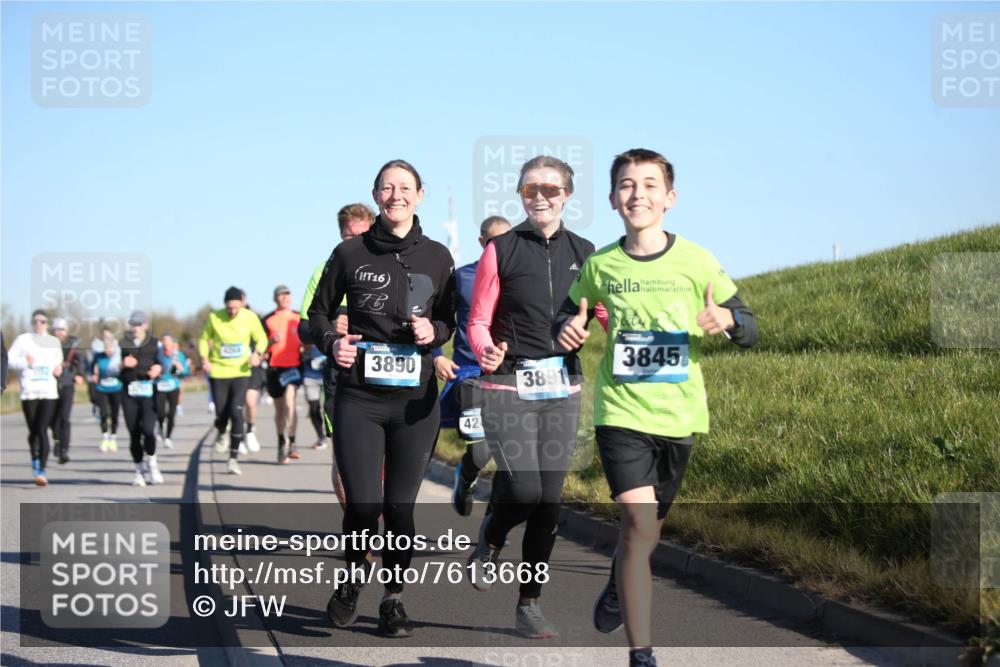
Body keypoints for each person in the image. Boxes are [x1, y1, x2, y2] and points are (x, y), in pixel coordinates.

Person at [556, 149, 759, 667]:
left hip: (680, 415)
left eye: (649, 185)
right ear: (611, 199)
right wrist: (567, 332)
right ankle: (641, 655)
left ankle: (619, 581)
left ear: (669, 198)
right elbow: (566, 319)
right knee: (640, 523)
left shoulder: (697, 261)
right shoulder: (600, 265)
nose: (637, 194)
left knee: (645, 533)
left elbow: (750, 327)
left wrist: (730, 323)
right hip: (620, 413)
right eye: (626, 185)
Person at [309, 160, 455, 638]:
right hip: (359, 399)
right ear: (375, 194)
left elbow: (450, 320)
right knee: (363, 503)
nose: (396, 195)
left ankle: (393, 600)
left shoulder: (438, 256)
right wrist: (333, 342)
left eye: (405, 187)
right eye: (387, 187)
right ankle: (352, 579)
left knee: (399, 509)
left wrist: (434, 330)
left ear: (421, 195)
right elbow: (318, 314)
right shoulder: (350, 253)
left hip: (415, 403)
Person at [466, 155, 603, 639]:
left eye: (549, 188)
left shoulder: (586, 251)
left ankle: (529, 604)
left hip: (563, 387)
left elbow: (604, 312)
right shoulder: (501, 249)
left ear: (567, 194)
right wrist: (485, 350)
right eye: (529, 189)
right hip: (507, 383)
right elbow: (478, 320)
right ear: (521, 195)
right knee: (524, 489)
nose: (539, 196)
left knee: (549, 502)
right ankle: (491, 539)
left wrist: (593, 322)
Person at [299, 203, 375, 506]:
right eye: (348, 236)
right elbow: (304, 329)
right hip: (341, 376)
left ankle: (380, 522)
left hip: (385, 373)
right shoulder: (325, 270)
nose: (354, 242)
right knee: (346, 457)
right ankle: (358, 528)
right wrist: (331, 325)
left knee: (381, 457)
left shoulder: (393, 267)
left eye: (362, 235)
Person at [438, 215, 512, 516]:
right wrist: (435, 355)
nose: (503, 247)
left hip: (511, 376)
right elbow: (439, 320)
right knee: (482, 449)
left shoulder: (521, 278)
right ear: (482, 243)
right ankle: (465, 475)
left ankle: (494, 523)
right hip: (470, 375)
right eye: (496, 241)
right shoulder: (462, 277)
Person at [199, 286, 267, 475]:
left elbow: (261, 338)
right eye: (229, 308)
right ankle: (222, 432)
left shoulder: (249, 317)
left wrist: (257, 354)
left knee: (237, 412)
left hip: (241, 372)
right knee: (221, 413)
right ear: (224, 305)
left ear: (241, 305)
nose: (232, 312)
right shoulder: (215, 317)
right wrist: (204, 359)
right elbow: (204, 339)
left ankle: (233, 459)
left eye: (236, 308)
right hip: (219, 372)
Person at [7, 310, 63, 486]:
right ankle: (35, 460)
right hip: (29, 392)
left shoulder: (53, 342)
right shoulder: (23, 340)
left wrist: (58, 369)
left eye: (43, 321)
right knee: (33, 431)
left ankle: (41, 471)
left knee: (41, 429)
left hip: (48, 392)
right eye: (36, 321)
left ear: (47, 323)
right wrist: (24, 362)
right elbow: (8, 360)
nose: (39, 324)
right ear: (33, 323)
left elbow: (58, 362)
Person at [120, 311, 164, 486]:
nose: (135, 328)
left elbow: (163, 362)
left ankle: (152, 464)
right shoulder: (123, 343)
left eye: (138, 325)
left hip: (148, 391)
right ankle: (139, 470)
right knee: (134, 434)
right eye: (133, 325)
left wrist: (158, 368)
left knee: (148, 430)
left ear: (145, 325)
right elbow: (111, 366)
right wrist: (122, 364)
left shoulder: (154, 343)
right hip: (129, 393)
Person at [262, 285, 303, 464]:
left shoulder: (298, 317)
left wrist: (305, 347)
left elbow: (307, 339)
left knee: (290, 401)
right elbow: (260, 348)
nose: (285, 298)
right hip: (274, 368)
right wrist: (270, 342)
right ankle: (281, 441)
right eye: (281, 296)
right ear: (275, 299)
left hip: (293, 366)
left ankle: (292, 442)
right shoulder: (267, 320)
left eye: (287, 295)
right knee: (279, 410)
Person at [50, 318, 86, 464]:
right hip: (50, 385)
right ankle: (57, 440)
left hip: (67, 383)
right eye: (56, 330)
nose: (59, 332)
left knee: (64, 418)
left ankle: (64, 450)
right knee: (53, 419)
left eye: (62, 329)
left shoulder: (73, 345)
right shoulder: (47, 345)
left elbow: (81, 361)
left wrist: (80, 374)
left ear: (67, 331)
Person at [155, 333, 191, 449]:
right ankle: (160, 426)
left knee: (171, 413)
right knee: (160, 412)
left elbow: (186, 372)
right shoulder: (158, 354)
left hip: (173, 386)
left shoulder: (178, 355)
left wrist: (181, 368)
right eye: (164, 341)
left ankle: (168, 438)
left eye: (168, 341)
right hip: (160, 385)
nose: (166, 344)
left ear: (172, 343)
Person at [91, 325, 123, 452]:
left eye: (110, 348)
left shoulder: (117, 358)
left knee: (114, 415)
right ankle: (105, 437)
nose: (108, 351)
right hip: (102, 388)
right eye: (106, 348)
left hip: (116, 388)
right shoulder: (99, 357)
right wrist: (94, 375)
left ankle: (113, 438)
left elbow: (122, 372)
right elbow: (92, 369)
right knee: (104, 413)